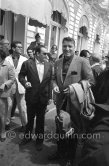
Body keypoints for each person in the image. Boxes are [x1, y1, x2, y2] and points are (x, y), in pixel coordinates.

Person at [51, 37, 94, 165]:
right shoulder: (57, 62)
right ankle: (59, 152)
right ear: (62, 46)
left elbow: (91, 81)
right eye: (64, 46)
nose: (67, 49)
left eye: (70, 46)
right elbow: (53, 78)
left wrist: (73, 88)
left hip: (75, 103)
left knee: (72, 130)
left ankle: (70, 157)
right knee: (60, 128)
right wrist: (54, 86)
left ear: (74, 47)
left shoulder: (82, 61)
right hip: (60, 102)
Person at [18, 45, 52, 151]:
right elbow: (21, 76)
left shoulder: (49, 65)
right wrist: (25, 82)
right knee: (30, 119)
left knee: (41, 120)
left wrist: (50, 97)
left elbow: (50, 82)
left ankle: (39, 141)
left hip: (43, 98)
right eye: (44, 53)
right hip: (31, 96)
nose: (47, 55)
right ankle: (27, 137)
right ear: (37, 54)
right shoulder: (27, 63)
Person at [6, 41, 27, 131]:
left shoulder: (24, 60)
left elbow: (27, 74)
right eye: (19, 47)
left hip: (20, 86)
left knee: (22, 106)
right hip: (9, 86)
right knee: (8, 105)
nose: (21, 48)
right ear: (13, 48)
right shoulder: (6, 59)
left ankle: (24, 124)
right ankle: (6, 123)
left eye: (21, 47)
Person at [0, 49, 15, 141]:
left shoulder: (8, 65)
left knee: (2, 114)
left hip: (2, 93)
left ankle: (2, 132)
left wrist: (5, 84)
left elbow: (12, 79)